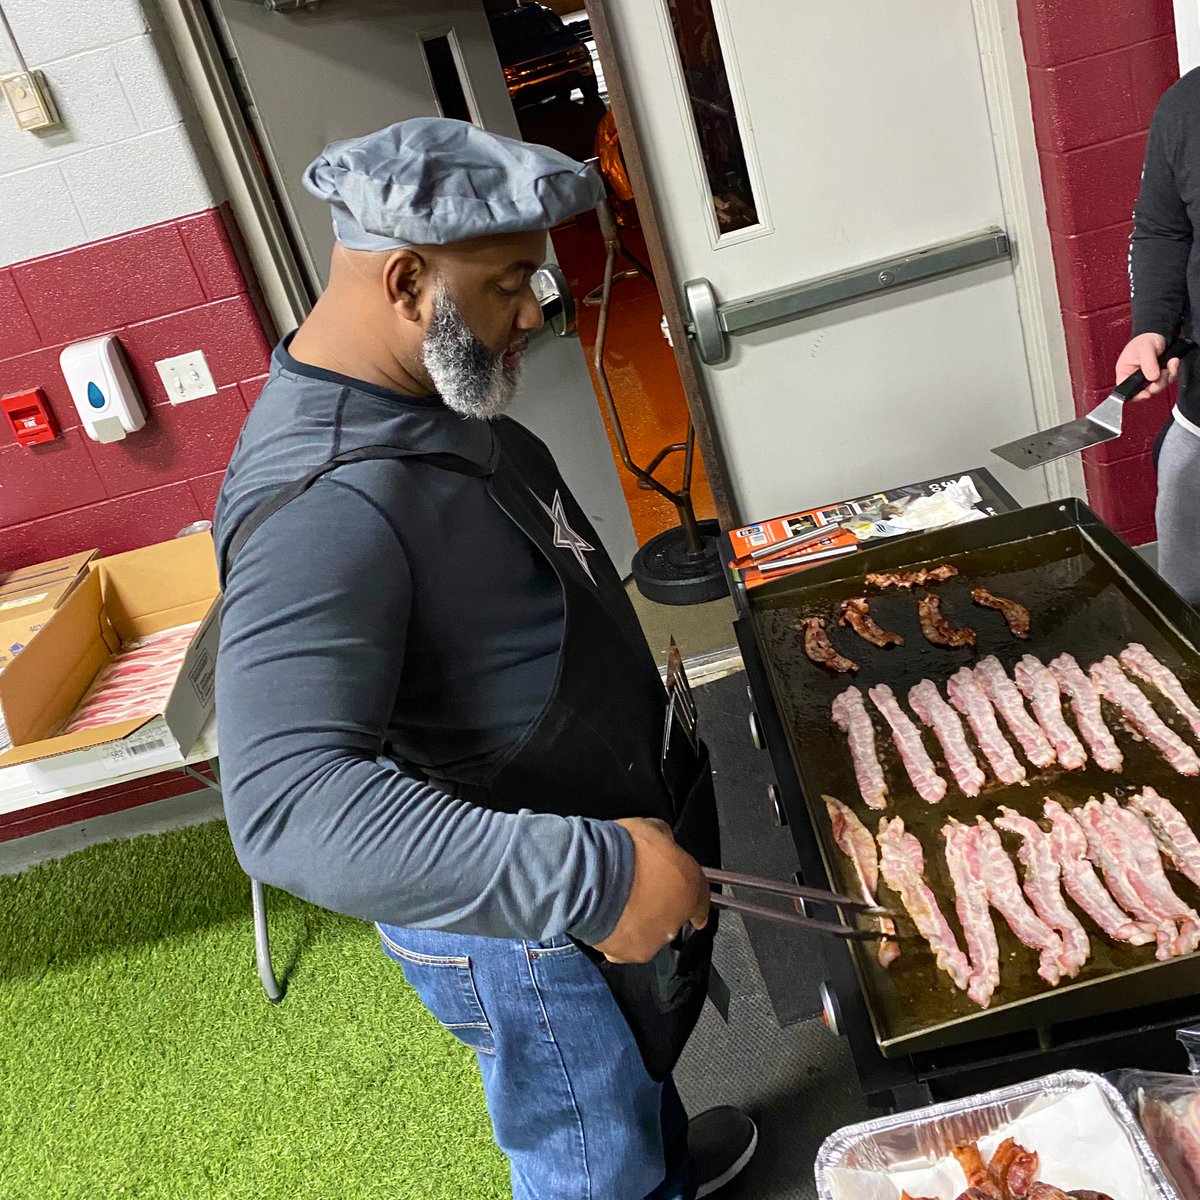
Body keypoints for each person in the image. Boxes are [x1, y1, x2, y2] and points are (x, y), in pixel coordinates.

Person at [213, 118, 757, 1199]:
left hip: (581, 831)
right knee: (587, 1152)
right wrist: (596, 877)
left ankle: (664, 1169)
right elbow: (283, 805)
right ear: (407, 282)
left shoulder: (423, 396)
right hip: (522, 924)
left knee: (630, 1084)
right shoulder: (322, 505)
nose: (536, 312)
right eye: (510, 284)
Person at [1116, 68, 1200, 603]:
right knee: (1185, 606)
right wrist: (1153, 325)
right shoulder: (1188, 104)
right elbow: (1164, 231)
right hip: (1199, 423)